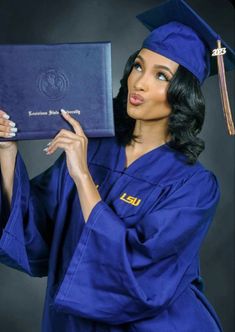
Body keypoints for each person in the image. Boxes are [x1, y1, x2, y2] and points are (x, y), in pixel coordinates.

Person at [0, 0, 234, 331]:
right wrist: (7, 150)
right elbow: (35, 232)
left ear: (182, 94)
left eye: (161, 75)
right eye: (138, 66)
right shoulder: (93, 150)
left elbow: (140, 274)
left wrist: (82, 178)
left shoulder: (194, 187)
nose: (139, 83)